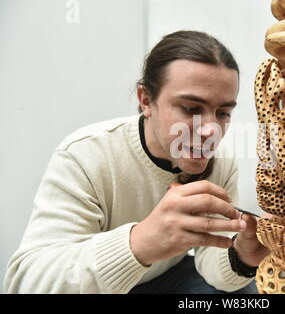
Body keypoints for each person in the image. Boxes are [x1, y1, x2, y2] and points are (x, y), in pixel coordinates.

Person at [4, 30, 270, 294]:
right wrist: (140, 243)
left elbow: (211, 264)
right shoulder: (86, 156)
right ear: (145, 100)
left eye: (223, 112)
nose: (211, 130)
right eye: (190, 109)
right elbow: (25, 284)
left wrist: (241, 257)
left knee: (247, 293)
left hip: (168, 277)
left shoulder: (220, 162)